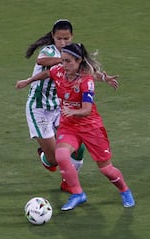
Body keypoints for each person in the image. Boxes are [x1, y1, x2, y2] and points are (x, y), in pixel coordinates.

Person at [16, 43, 135, 211]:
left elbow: (87, 110)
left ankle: (124, 190)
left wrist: (72, 110)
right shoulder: (60, 71)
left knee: (107, 169)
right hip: (69, 126)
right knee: (61, 155)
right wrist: (28, 81)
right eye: (63, 61)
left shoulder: (85, 81)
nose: (63, 65)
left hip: (91, 128)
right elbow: (46, 73)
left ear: (78, 61)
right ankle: (78, 194)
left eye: (68, 62)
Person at [22, 19, 119, 193]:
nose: (63, 42)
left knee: (77, 148)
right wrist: (67, 57)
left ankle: (68, 183)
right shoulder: (49, 51)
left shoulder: (73, 55)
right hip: (39, 109)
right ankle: (45, 155)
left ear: (72, 36)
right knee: (53, 161)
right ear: (53, 37)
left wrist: (104, 78)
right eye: (59, 39)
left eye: (66, 39)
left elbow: (84, 73)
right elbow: (40, 61)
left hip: (60, 107)